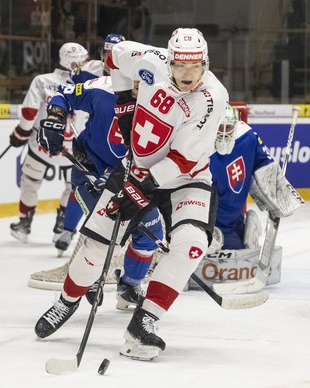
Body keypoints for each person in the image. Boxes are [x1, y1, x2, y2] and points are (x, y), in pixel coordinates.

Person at [34, 28, 229, 362]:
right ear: (169, 60)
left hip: (186, 178)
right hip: (136, 169)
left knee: (192, 243)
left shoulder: (212, 98)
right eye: (180, 65)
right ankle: (66, 301)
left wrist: (138, 190)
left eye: (195, 66)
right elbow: (114, 58)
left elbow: (181, 160)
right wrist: (124, 101)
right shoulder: (149, 60)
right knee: (96, 247)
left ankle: (144, 322)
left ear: (205, 63)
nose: (187, 74)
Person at [33, 75, 163, 310]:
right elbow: (63, 93)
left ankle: (129, 287)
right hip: (89, 171)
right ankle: (83, 284)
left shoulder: (162, 102)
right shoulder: (102, 87)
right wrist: (55, 118)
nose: (137, 86)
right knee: (101, 235)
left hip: (134, 180)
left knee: (150, 234)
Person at [8, 42, 89, 244]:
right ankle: (62, 224)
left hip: (42, 144)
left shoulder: (42, 81)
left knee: (31, 182)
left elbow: (29, 112)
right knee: (72, 187)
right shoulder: (88, 84)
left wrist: (20, 133)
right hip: (72, 148)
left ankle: (24, 224)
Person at [54, 33, 126, 254]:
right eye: (106, 52)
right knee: (79, 191)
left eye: (115, 53)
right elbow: (65, 89)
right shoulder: (92, 74)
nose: (109, 58)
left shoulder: (139, 85)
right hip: (92, 145)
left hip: (123, 157)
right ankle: (68, 229)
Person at [209, 104, 301, 251]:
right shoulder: (199, 146)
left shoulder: (246, 136)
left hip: (234, 220)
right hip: (209, 224)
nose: (224, 134)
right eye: (220, 128)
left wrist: (278, 194)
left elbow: (264, 165)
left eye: (228, 128)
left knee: (242, 257)